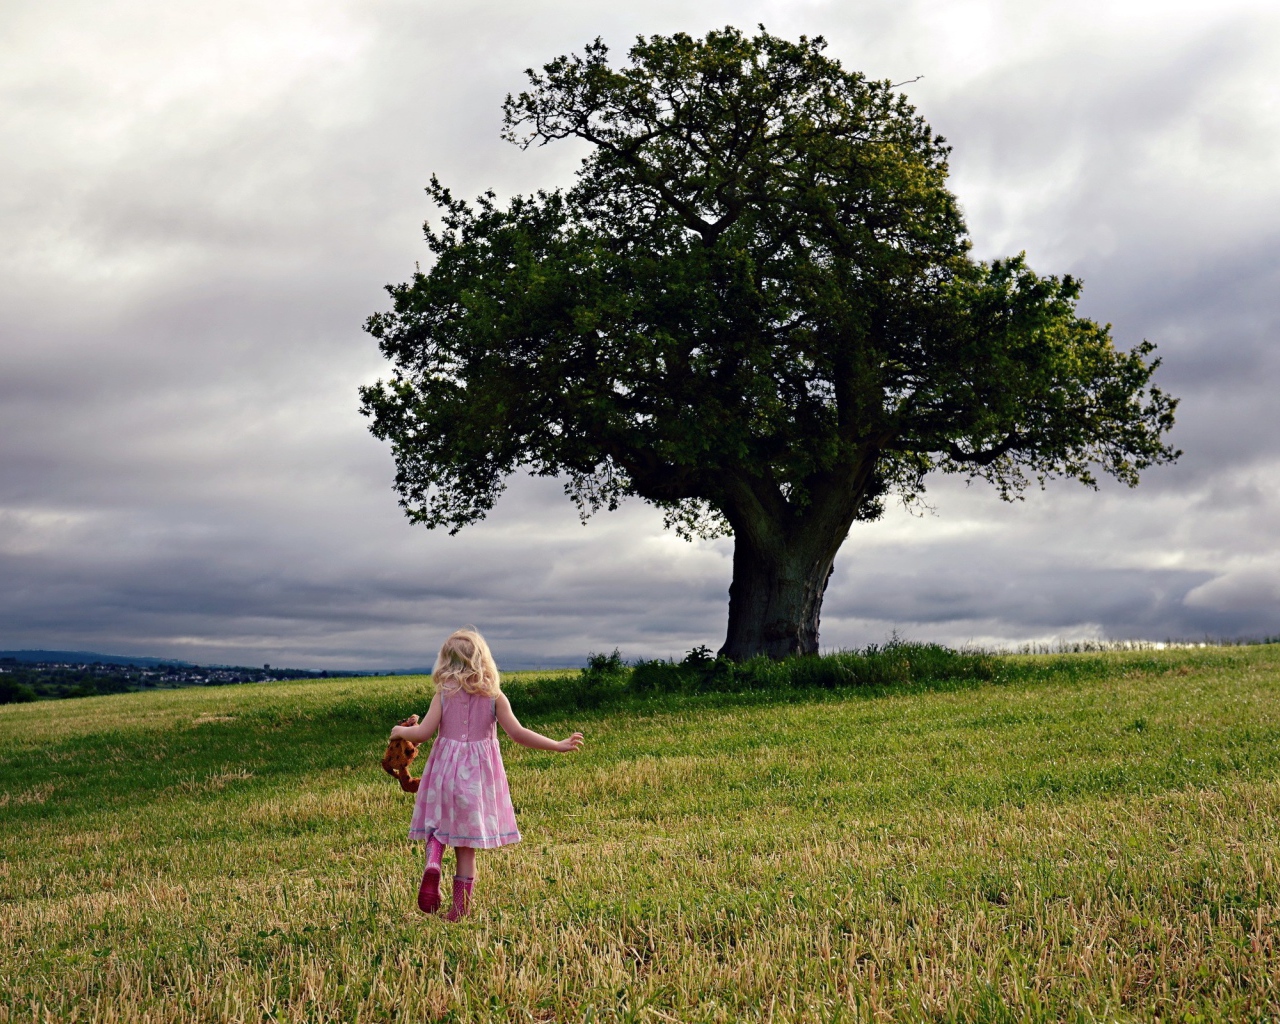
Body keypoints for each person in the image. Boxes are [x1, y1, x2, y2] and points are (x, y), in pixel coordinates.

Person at [389, 628, 584, 921]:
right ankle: (459, 909)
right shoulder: (494, 697)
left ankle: (433, 861)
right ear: (483, 660)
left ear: (445, 662)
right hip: (477, 781)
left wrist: (399, 731)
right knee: (466, 848)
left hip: (445, 772)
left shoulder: (443, 695)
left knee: (436, 824)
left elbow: (424, 732)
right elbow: (518, 733)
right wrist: (556, 745)